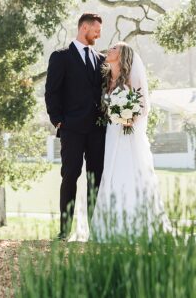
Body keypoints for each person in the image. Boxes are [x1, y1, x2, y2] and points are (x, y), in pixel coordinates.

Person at [90, 41, 169, 240]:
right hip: (111, 132)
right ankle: (109, 227)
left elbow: (143, 106)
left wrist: (128, 117)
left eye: (114, 48)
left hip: (129, 133)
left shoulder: (131, 78)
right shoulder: (107, 78)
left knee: (129, 171)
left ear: (123, 54)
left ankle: (138, 224)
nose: (110, 50)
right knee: (111, 172)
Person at [44, 13, 106, 240]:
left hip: (98, 130)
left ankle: (94, 231)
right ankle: (64, 231)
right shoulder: (61, 57)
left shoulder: (101, 59)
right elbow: (51, 91)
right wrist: (57, 120)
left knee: (95, 178)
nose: (99, 34)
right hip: (72, 128)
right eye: (96, 30)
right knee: (70, 175)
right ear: (84, 28)